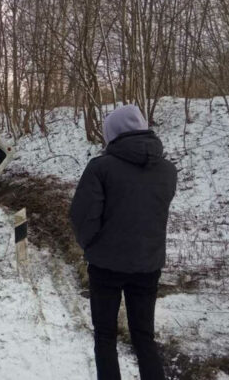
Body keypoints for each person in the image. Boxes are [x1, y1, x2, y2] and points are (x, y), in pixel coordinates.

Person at [70, 105, 177, 380]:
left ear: (113, 134)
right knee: (144, 337)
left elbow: (83, 217)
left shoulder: (100, 168)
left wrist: (91, 247)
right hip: (148, 265)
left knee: (105, 336)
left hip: (106, 266)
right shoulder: (167, 170)